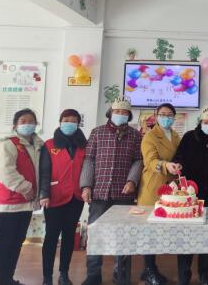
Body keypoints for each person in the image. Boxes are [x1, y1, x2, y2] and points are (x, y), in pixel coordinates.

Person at [79, 98, 142, 285]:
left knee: (123, 236)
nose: (121, 115)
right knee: (95, 235)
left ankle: (121, 276)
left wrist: (132, 180)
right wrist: (86, 186)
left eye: (125, 112)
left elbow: (138, 160)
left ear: (129, 115)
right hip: (99, 192)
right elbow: (89, 160)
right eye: (117, 111)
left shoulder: (135, 135)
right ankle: (93, 276)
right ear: (110, 113)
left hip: (124, 193)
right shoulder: (97, 132)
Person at [173, 106, 208, 285]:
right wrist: (178, 164)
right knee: (186, 235)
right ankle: (184, 274)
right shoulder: (189, 137)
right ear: (200, 122)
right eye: (206, 122)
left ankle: (204, 274)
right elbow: (179, 157)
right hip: (190, 195)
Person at [0, 108, 43, 285]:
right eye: (23, 121)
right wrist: (25, 188)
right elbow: (5, 171)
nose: (27, 124)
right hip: (11, 201)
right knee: (6, 243)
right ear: (15, 125)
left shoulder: (39, 145)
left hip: (27, 202)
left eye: (31, 121)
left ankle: (8, 278)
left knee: (17, 242)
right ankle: (1, 281)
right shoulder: (8, 143)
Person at [39, 109, 87, 285]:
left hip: (75, 198)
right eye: (66, 120)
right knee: (51, 237)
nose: (69, 123)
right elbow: (44, 171)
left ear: (78, 124)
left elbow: (88, 169)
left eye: (73, 120)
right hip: (54, 198)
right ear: (60, 122)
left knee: (69, 237)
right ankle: (47, 276)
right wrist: (44, 193)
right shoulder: (49, 145)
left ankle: (64, 274)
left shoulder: (84, 145)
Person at [137, 103, 182, 285]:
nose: (166, 117)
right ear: (156, 116)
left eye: (169, 114)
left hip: (171, 188)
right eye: (162, 114)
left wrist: (178, 165)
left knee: (161, 231)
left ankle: (149, 269)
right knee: (150, 231)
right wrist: (165, 166)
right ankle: (149, 269)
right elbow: (150, 162)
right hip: (153, 187)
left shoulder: (176, 136)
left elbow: (179, 156)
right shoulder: (149, 136)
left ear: (174, 117)